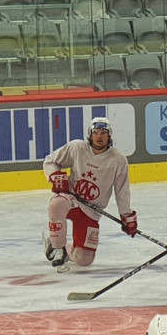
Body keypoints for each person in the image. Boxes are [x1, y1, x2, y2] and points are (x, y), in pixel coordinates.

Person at [42, 117, 136, 272]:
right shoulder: (77, 147)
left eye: (104, 133)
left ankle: (62, 246)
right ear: (90, 134)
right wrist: (55, 175)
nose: (99, 136)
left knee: (85, 259)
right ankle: (57, 247)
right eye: (96, 132)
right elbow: (50, 161)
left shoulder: (118, 159)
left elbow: (122, 190)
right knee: (56, 204)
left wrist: (126, 215)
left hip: (92, 210)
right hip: (71, 199)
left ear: (109, 136)